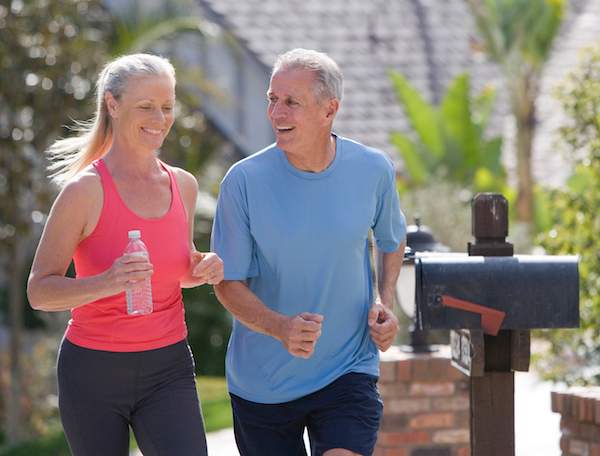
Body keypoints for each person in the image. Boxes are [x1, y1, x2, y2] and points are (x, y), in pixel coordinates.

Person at [211, 48, 407, 456]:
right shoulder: (243, 181)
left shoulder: (374, 169)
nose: (275, 112)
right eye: (272, 99)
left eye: (291, 102)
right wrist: (279, 327)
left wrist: (384, 302)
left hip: (347, 369)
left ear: (328, 109)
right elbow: (227, 283)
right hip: (263, 383)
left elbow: (391, 241)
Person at [27, 53, 223, 456]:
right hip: (93, 373)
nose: (160, 118)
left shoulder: (182, 185)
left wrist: (201, 266)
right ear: (112, 106)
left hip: (168, 367)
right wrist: (106, 283)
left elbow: (179, 268)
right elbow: (39, 291)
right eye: (146, 107)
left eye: (167, 107)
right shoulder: (83, 192)